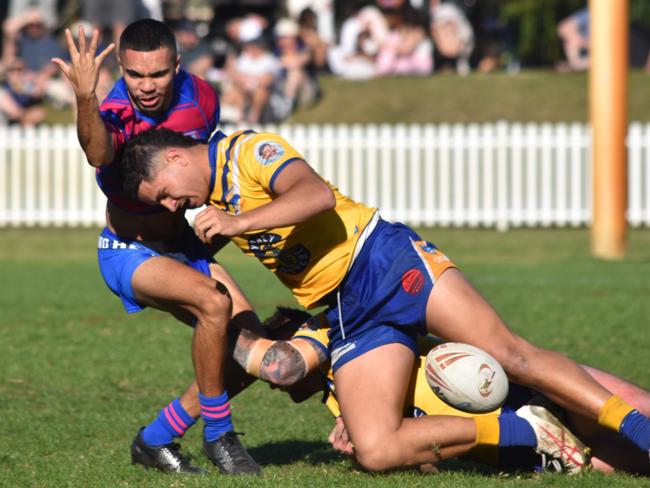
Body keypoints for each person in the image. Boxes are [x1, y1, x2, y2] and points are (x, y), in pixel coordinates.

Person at [119, 127, 650, 472]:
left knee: (513, 356)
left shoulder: (249, 151)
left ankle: (637, 428)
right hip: (348, 311)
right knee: (374, 450)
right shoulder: (211, 200)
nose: (173, 204)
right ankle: (527, 431)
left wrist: (240, 222)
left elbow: (315, 195)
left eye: (165, 192)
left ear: (173, 156)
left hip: (385, 261)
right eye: (162, 204)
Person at [50, 19, 261, 475]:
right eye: (135, 75)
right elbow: (99, 154)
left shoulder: (202, 98)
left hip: (182, 244)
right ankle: (220, 435)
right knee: (212, 303)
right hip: (127, 249)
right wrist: (85, 97)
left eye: (158, 74)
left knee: (250, 351)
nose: (146, 86)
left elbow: (202, 171)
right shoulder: (112, 110)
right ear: (122, 70)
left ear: (177, 66)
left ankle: (156, 439)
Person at [238, 307, 650, 475]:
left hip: (522, 389)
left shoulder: (342, 330)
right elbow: (426, 458)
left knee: (639, 409)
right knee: (630, 466)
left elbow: (282, 369)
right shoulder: (344, 405)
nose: (271, 381)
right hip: (514, 444)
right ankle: (535, 435)